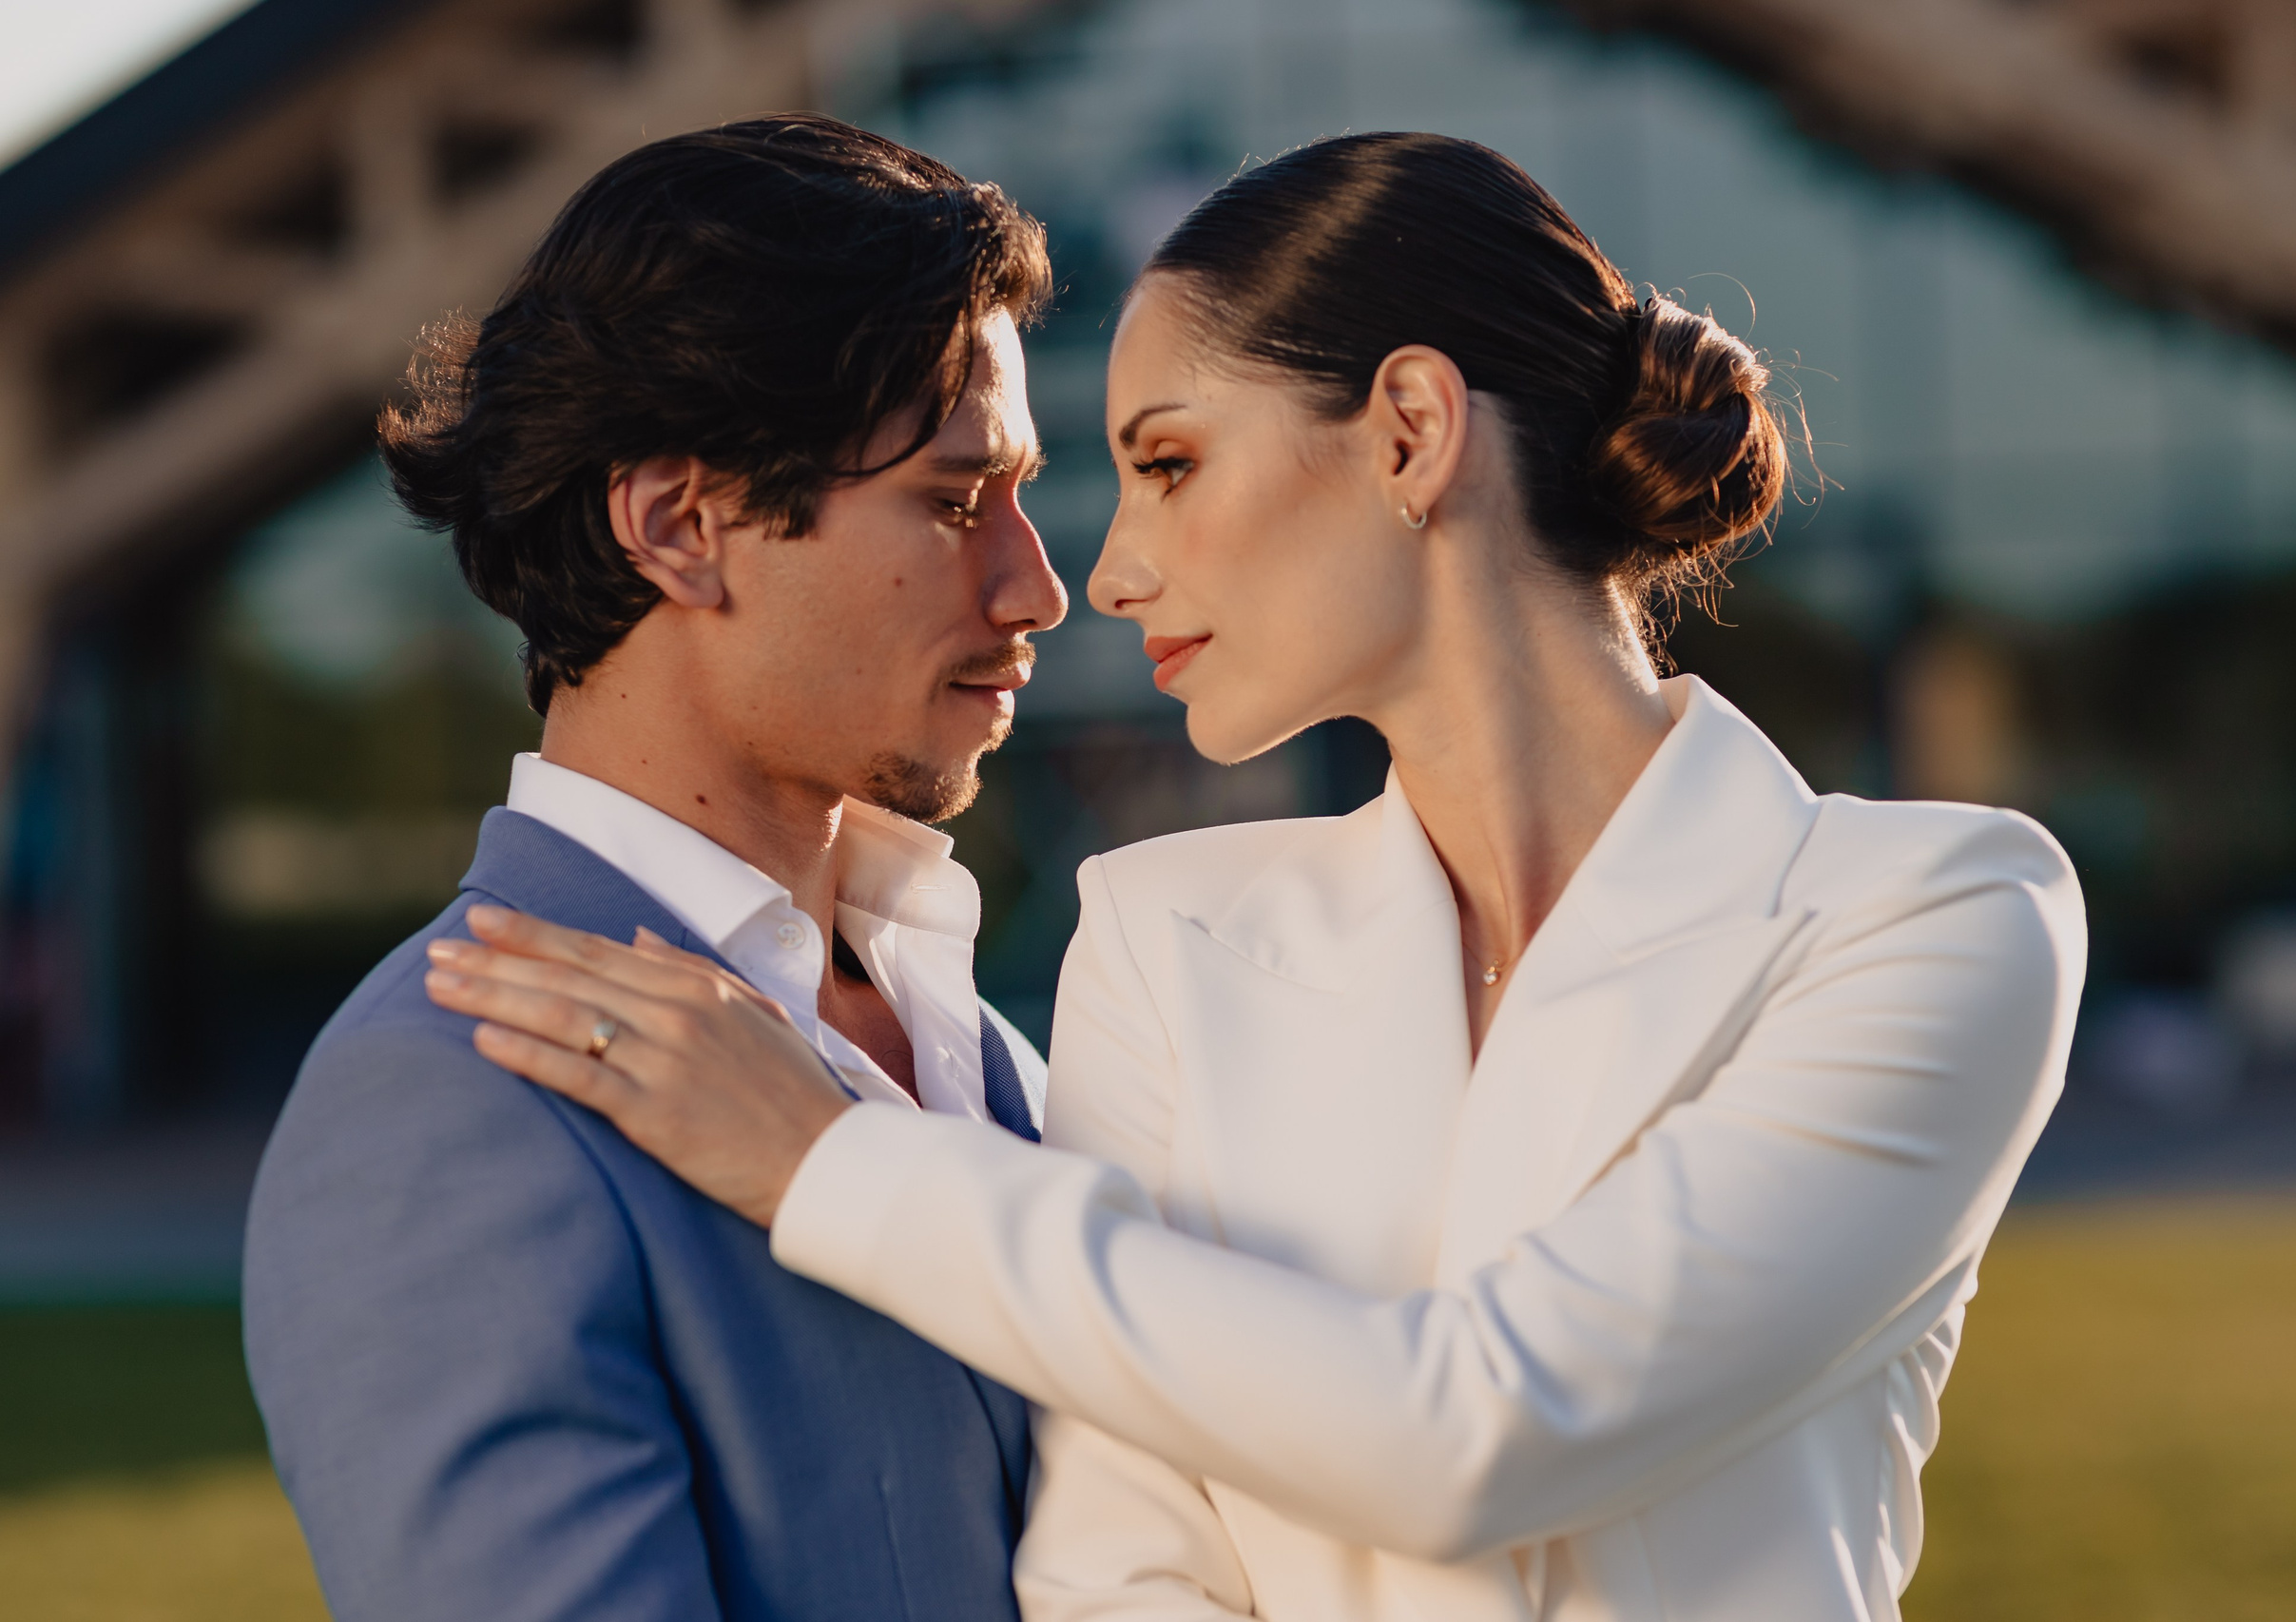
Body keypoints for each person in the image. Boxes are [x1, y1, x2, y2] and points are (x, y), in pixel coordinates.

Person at [428, 132, 2086, 1621]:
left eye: (1166, 463)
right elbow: (1115, 1574)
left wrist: (834, 1170)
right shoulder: (1165, 939)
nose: (1106, 568)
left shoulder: (1931, 917)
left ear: (1412, 432)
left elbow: (1487, 1427)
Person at [242, 115, 1067, 1622]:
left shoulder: (990, 1042)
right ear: (681, 524)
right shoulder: (447, 1101)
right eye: (955, 502)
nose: (1036, 584)